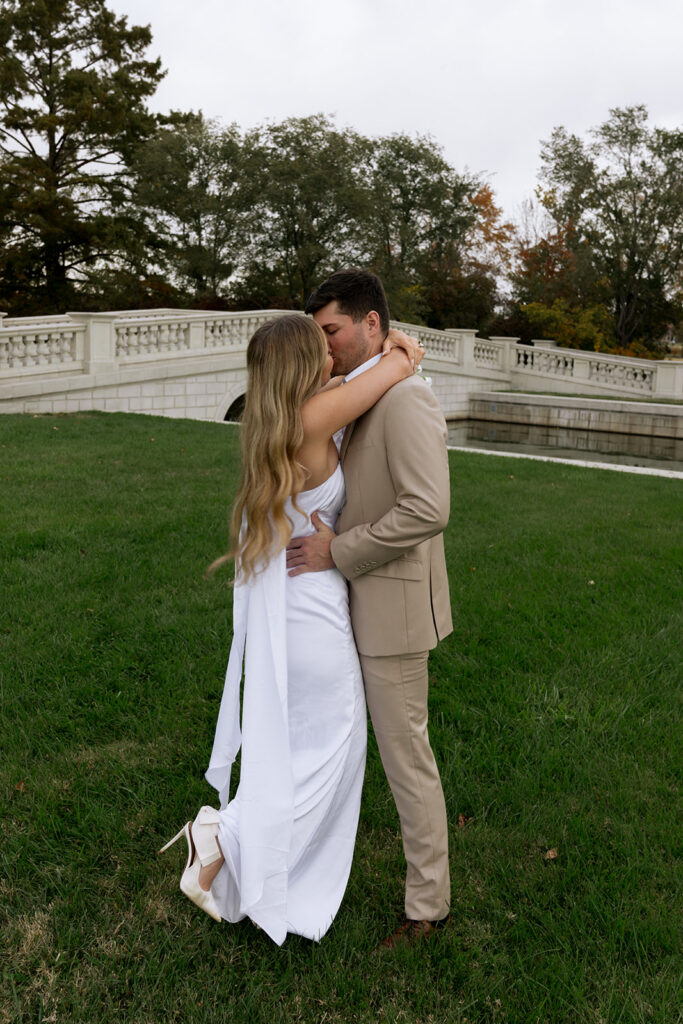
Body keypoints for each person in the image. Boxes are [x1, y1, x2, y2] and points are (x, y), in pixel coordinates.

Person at [159, 312, 423, 945]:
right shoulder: (313, 420)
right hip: (314, 616)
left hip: (295, 607)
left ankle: (234, 845)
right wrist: (399, 346)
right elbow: (395, 366)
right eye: (321, 346)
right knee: (335, 748)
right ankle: (226, 837)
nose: (332, 353)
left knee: (297, 747)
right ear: (305, 364)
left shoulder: (277, 419)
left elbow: (355, 383)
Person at [286, 269, 453, 949]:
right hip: (349, 608)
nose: (325, 350)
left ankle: (428, 906)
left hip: (393, 614)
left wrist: (339, 552)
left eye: (332, 332)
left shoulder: (405, 401)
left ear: (371, 325)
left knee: (404, 760)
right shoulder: (360, 390)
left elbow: (427, 510)